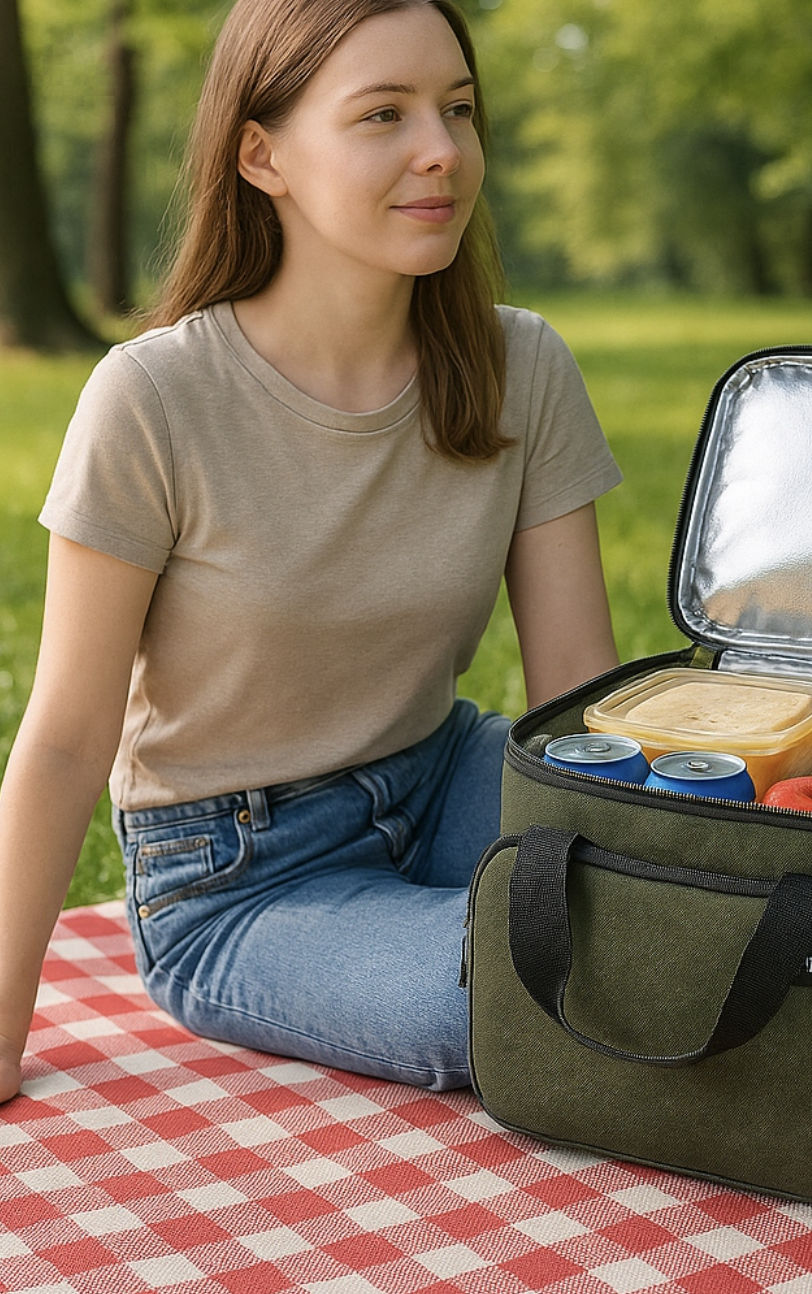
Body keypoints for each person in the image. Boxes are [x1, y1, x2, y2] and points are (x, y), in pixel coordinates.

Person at [0, 0, 622, 1104]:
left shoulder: (521, 364)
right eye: (382, 113)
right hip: (232, 877)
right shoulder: (153, 399)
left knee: (678, 903)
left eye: (458, 109)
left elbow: (578, 704)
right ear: (261, 154)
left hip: (444, 778)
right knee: (514, 992)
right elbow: (64, 736)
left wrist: (638, 867)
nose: (441, 148)